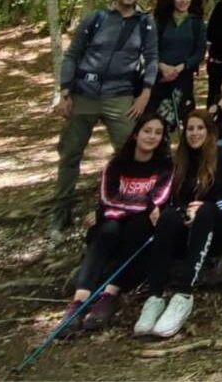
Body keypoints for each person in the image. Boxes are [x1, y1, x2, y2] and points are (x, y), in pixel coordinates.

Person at [49, 0, 159, 240]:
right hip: (84, 93)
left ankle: (133, 205)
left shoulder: (145, 23)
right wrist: (65, 91)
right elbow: (73, 54)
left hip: (120, 95)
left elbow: (152, 57)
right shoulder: (96, 18)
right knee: (70, 153)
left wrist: (145, 93)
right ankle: (60, 211)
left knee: (132, 151)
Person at [133, 110, 222, 338]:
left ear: (209, 131)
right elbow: (175, 200)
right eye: (190, 129)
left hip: (219, 227)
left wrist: (209, 207)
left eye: (200, 128)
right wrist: (181, 212)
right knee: (168, 218)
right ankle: (154, 297)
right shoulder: (181, 162)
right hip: (189, 231)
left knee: (204, 211)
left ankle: (183, 295)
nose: (195, 133)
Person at [59, 113, 173, 334]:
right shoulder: (116, 163)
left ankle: (110, 294)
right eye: (147, 131)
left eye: (158, 133)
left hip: (136, 225)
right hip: (112, 222)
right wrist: (133, 207)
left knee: (137, 227)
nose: (152, 137)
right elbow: (108, 198)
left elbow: (159, 198)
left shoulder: (165, 166)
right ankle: (79, 301)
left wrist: (122, 209)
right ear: (136, 134)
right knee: (107, 229)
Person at [147, 0, 207, 134]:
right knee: (154, 122)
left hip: (183, 80)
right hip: (159, 80)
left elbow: (200, 52)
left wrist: (181, 67)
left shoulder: (197, 23)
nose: (183, 0)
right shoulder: (160, 21)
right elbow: (150, 48)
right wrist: (162, 66)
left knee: (185, 121)